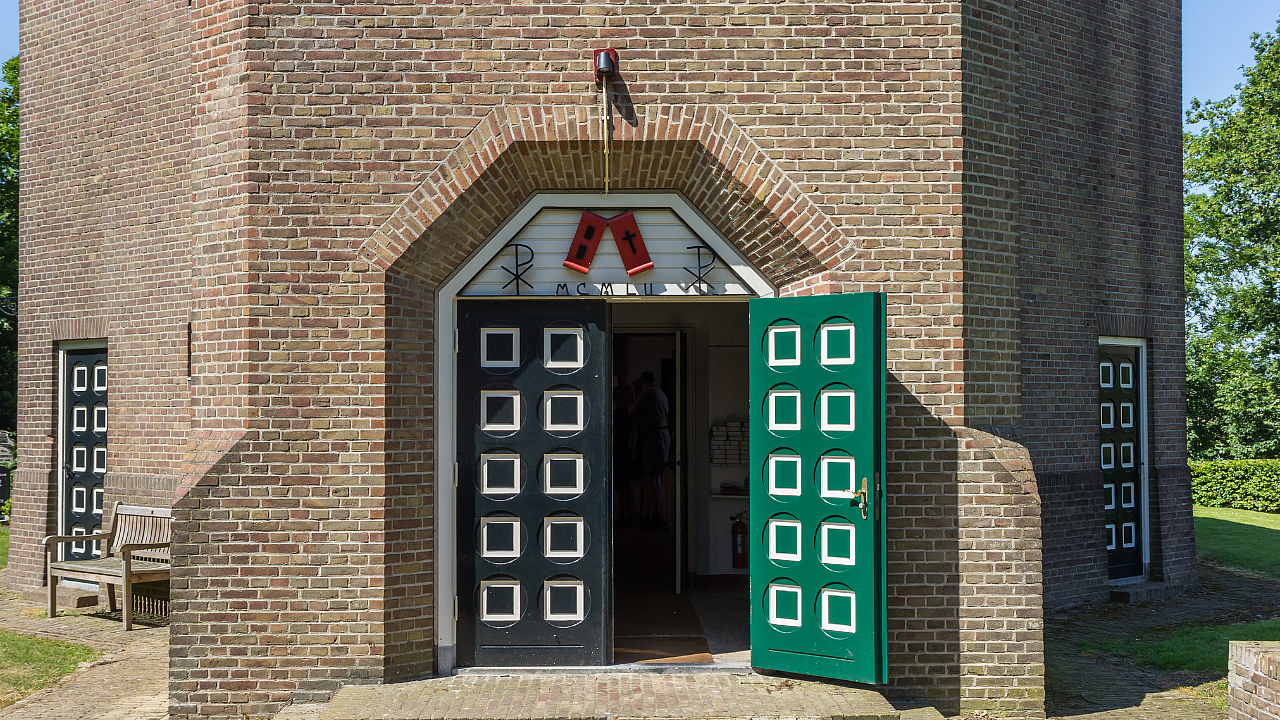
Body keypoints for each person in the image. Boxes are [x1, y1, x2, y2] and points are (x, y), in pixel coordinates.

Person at [628, 370, 670, 528]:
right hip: (660, 435)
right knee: (656, 477)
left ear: (643, 383)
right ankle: (656, 512)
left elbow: (631, 410)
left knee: (651, 476)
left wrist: (635, 398)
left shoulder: (648, 393)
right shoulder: (660, 393)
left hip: (654, 437)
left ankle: (654, 514)